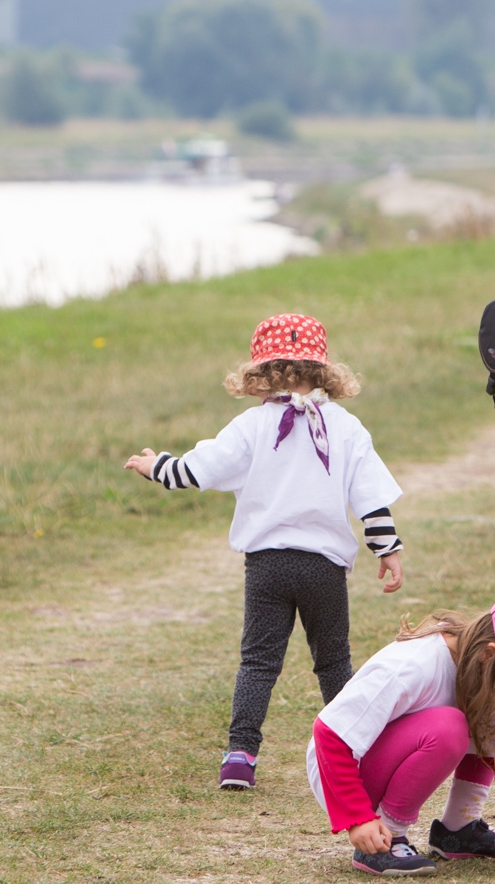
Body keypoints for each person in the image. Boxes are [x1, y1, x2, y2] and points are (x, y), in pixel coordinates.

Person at [123, 313, 406, 789]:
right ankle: (355, 749)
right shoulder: (347, 428)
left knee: (258, 660)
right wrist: (387, 550)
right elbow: (370, 498)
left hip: (268, 567)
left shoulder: (251, 426)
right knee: (334, 661)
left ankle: (240, 755)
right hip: (324, 569)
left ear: (263, 372)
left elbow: (197, 470)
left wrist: (156, 467)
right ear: (324, 372)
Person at [308, 591, 495, 874]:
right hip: (343, 775)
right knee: (451, 726)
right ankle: (387, 838)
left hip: (365, 766)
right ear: (488, 654)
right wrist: (358, 818)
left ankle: (459, 830)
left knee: (487, 715)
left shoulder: (481, 669)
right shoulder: (411, 668)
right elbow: (330, 733)